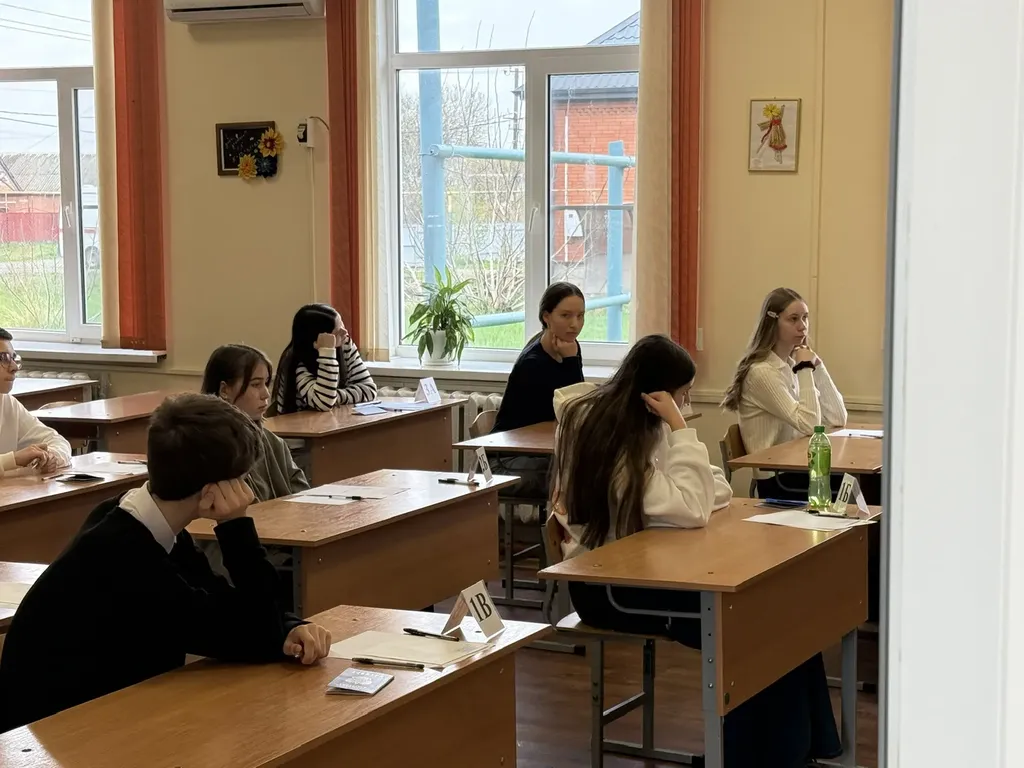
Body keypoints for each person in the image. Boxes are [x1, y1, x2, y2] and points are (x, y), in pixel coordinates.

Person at [552, 334, 841, 768]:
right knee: (746, 622)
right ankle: (753, 755)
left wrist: (687, 469)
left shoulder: (644, 426)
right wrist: (681, 429)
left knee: (780, 612)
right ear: (656, 395)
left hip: (651, 567)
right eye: (682, 395)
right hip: (608, 586)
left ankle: (794, 750)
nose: (685, 404)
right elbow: (692, 506)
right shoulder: (612, 442)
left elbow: (712, 489)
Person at [0, 394, 332, 733]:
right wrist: (235, 525)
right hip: (52, 730)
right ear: (210, 492)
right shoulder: (123, 555)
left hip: (96, 713)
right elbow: (243, 632)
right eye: (242, 481)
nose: (246, 492)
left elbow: (222, 600)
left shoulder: (141, 518)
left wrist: (290, 627)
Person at [722, 287, 848, 501]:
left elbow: (838, 418)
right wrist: (805, 368)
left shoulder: (789, 365)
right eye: (793, 319)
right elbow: (810, 425)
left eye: (805, 318)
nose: (803, 326)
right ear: (773, 323)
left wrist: (818, 366)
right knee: (857, 484)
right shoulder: (762, 372)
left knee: (865, 481)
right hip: (777, 479)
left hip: (797, 468)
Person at [491, 282, 585, 498]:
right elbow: (570, 410)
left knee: (592, 469)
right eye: (566, 316)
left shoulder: (570, 347)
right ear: (546, 317)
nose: (575, 325)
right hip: (506, 461)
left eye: (580, 316)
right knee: (580, 478)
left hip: (540, 454)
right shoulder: (533, 363)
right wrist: (571, 362)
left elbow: (578, 404)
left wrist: (571, 360)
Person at [202, 344, 308, 501]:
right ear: (224, 390)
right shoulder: (207, 449)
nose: (266, 394)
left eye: (266, 383)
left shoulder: (274, 443)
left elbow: (304, 496)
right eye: (255, 384)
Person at [272, 304, 377, 414]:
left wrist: (334, 397)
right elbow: (324, 403)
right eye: (337, 331)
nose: (345, 332)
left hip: (332, 421)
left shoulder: (345, 345)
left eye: (342, 324)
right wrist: (327, 352)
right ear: (318, 339)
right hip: (297, 423)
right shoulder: (296, 363)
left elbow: (369, 390)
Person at [0, 327, 72, 477]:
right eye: (4, 358)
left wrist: (50, 457)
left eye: (14, 358)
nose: (14, 367)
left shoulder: (7, 403)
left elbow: (56, 440)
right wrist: (14, 459)